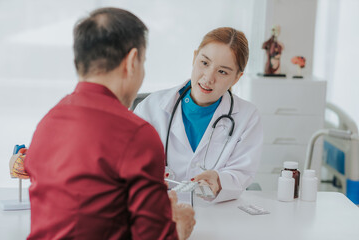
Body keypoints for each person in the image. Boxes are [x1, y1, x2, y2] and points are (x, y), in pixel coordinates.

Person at [23, 8, 195, 240]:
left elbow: (83, 212)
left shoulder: (47, 123)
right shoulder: (137, 134)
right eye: (143, 61)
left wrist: (156, 212)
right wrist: (178, 227)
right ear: (132, 61)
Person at [134, 27, 263, 203]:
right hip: (160, 209)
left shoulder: (248, 117)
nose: (209, 78)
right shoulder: (151, 108)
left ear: (236, 78)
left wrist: (219, 181)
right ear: (195, 57)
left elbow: (242, 173)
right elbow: (130, 165)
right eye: (204, 63)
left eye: (222, 71)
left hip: (216, 214)